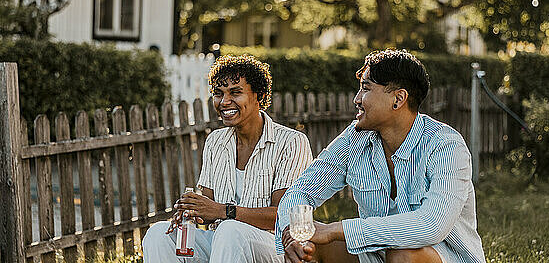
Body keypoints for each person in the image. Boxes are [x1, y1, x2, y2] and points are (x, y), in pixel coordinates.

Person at [276, 49, 485, 263]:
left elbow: (431, 226)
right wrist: (292, 232)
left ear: (398, 99)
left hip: (442, 257)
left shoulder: (446, 146)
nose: (357, 99)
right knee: (308, 249)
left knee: (402, 256)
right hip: (377, 254)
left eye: (366, 89)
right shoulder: (355, 139)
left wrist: (334, 229)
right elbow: (301, 191)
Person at [143, 55, 313, 263]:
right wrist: (193, 210)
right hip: (222, 241)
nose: (224, 102)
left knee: (231, 230)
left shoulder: (291, 142)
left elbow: (282, 216)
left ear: (258, 96)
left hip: (272, 247)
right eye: (218, 93)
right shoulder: (215, 142)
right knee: (158, 235)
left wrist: (224, 211)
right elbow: (210, 210)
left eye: (235, 93)